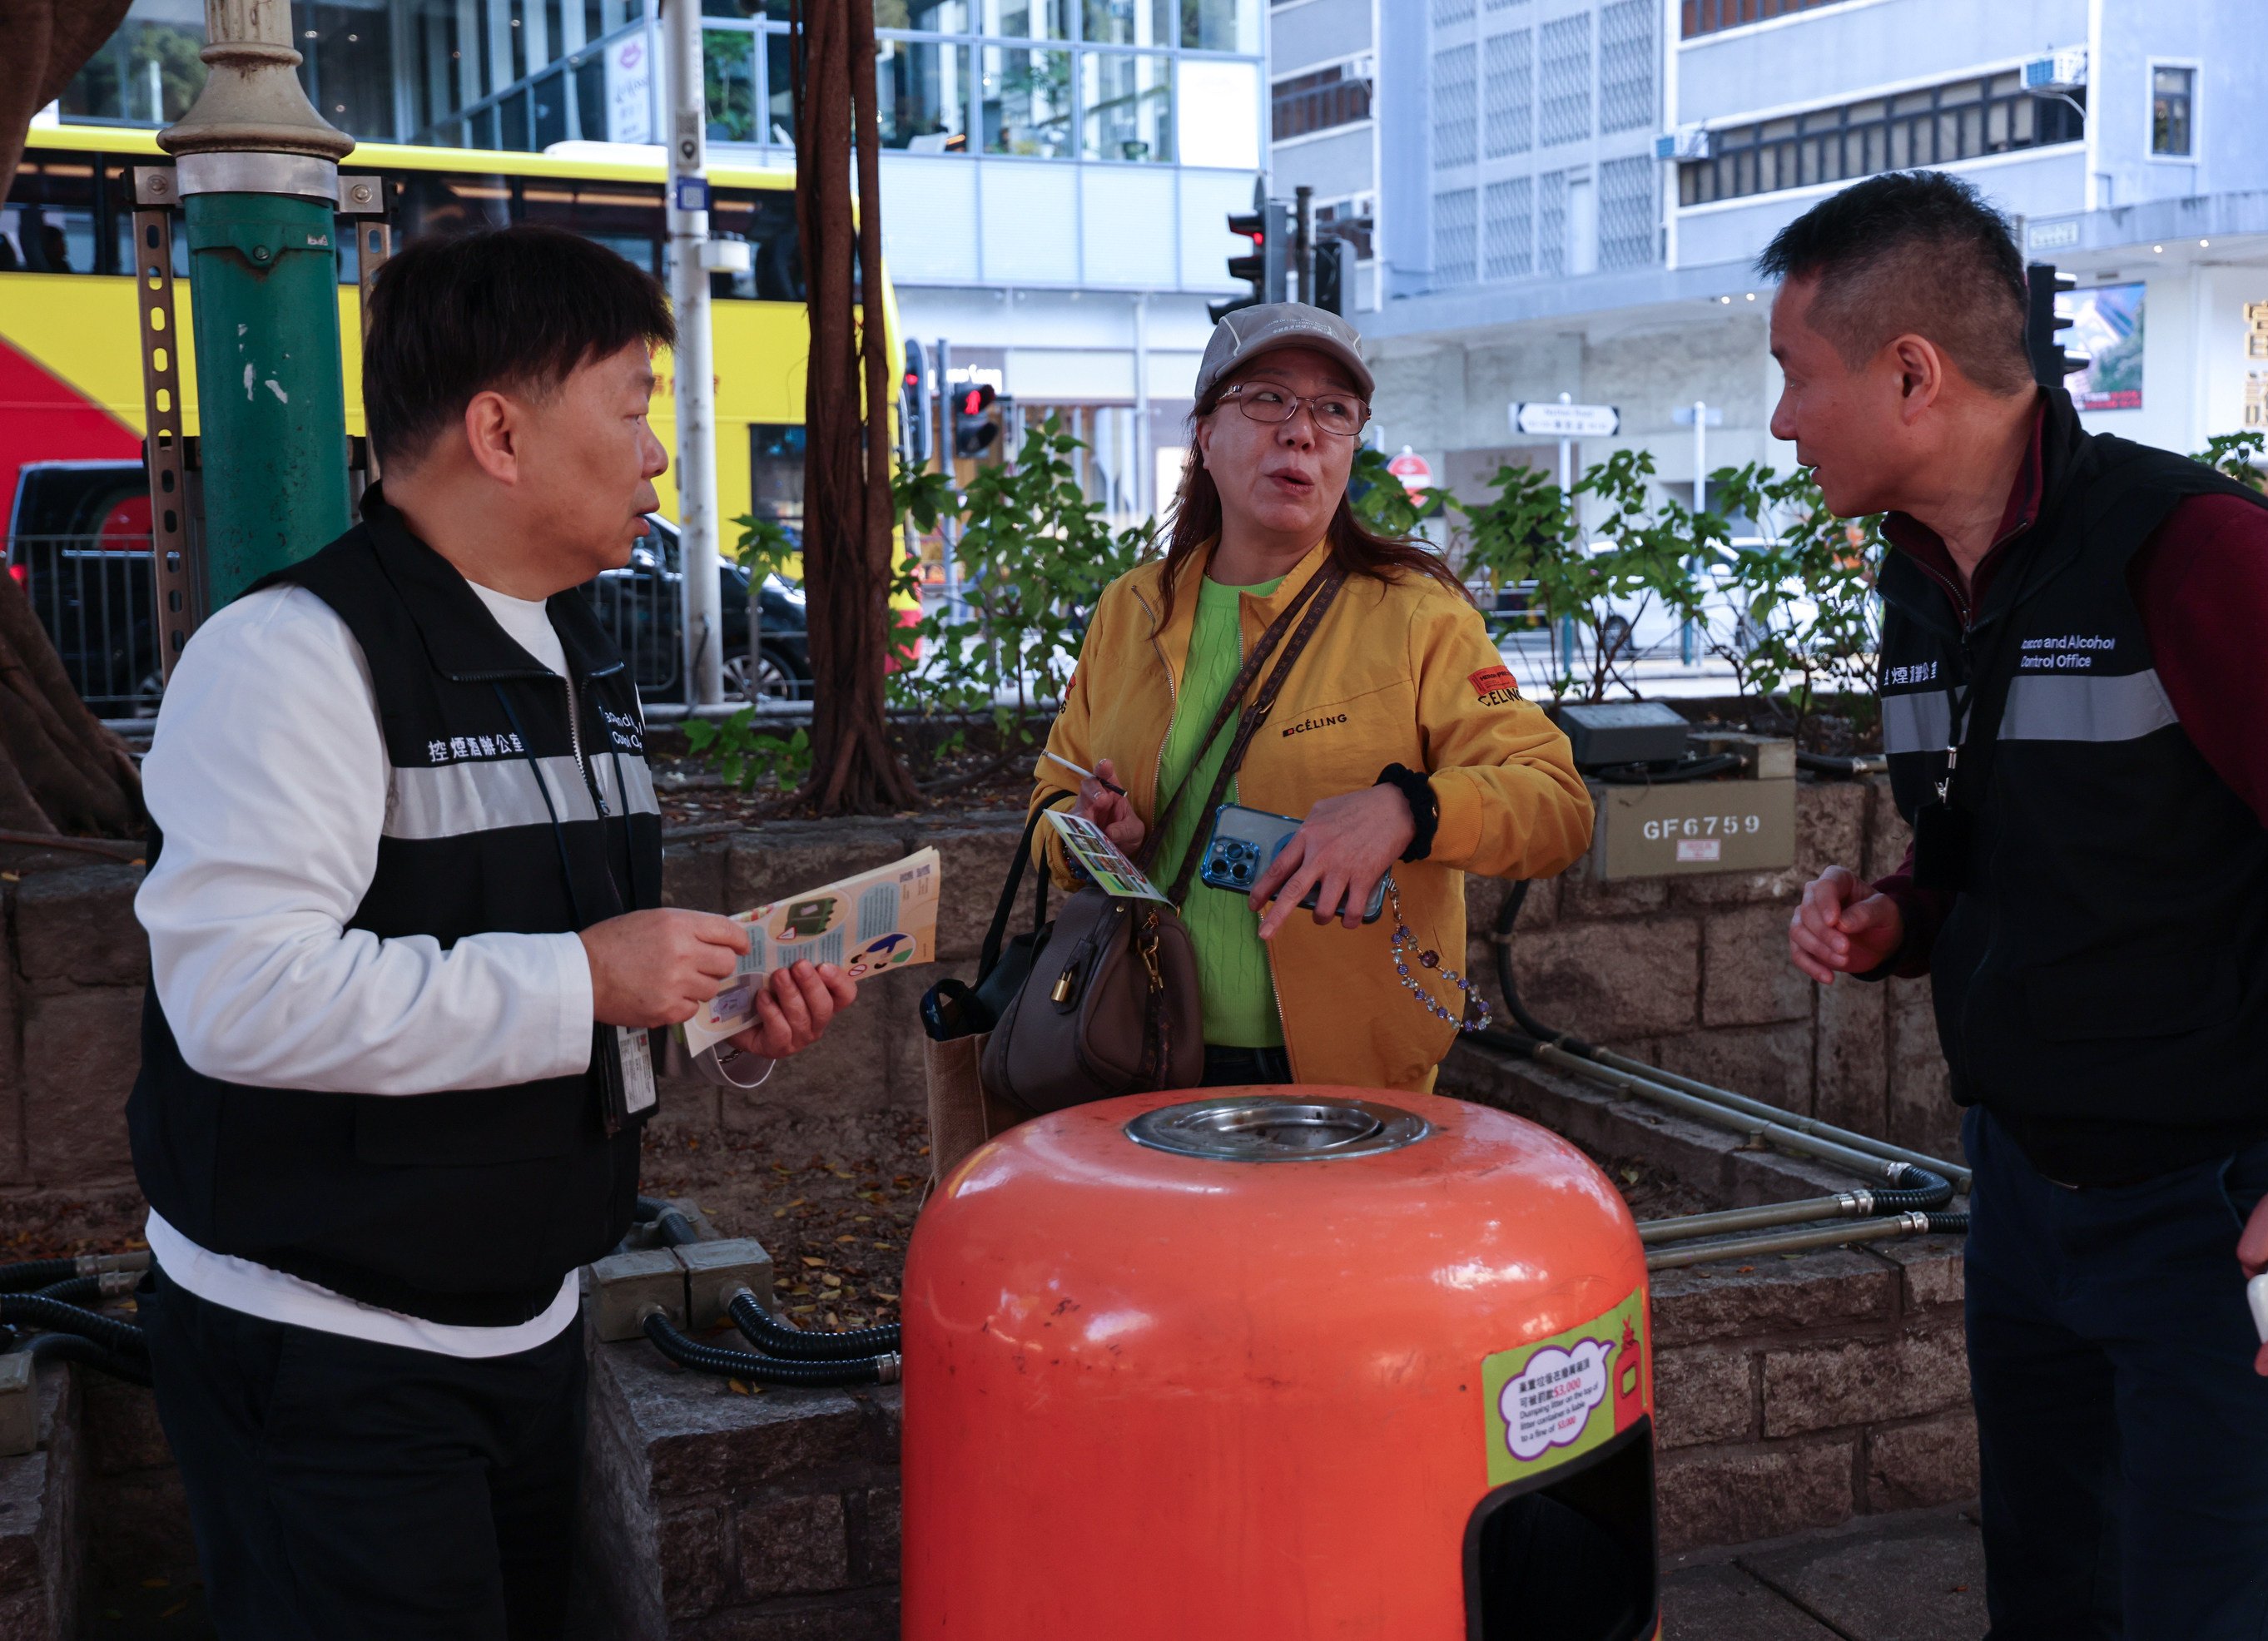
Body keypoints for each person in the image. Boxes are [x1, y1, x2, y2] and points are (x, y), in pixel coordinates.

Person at [125, 226, 856, 1639]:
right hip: (323, 1355)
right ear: (501, 432)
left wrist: (722, 1018)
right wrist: (584, 976)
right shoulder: (289, 657)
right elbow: (240, 995)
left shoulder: (575, 651)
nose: (659, 454)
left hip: (528, 1322)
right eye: (636, 405)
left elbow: (558, 969)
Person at [1774, 172, 2268, 1639]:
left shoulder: (2198, 554)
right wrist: (1901, 916)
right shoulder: (1920, 581)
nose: (1782, 419)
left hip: (2225, 1207)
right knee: (2052, 1595)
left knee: (2203, 1611)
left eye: (1795, 376)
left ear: (1914, 373)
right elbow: (1985, 846)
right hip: (2022, 1194)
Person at [1033, 302, 1591, 1091]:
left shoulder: (1417, 614)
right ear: (1204, 432)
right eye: (1267, 398)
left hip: (1344, 1080)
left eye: (1335, 411)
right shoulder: (1132, 609)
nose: (1301, 432)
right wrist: (1092, 836)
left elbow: (1557, 805)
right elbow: (1051, 797)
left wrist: (1410, 811)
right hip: (1132, 1048)